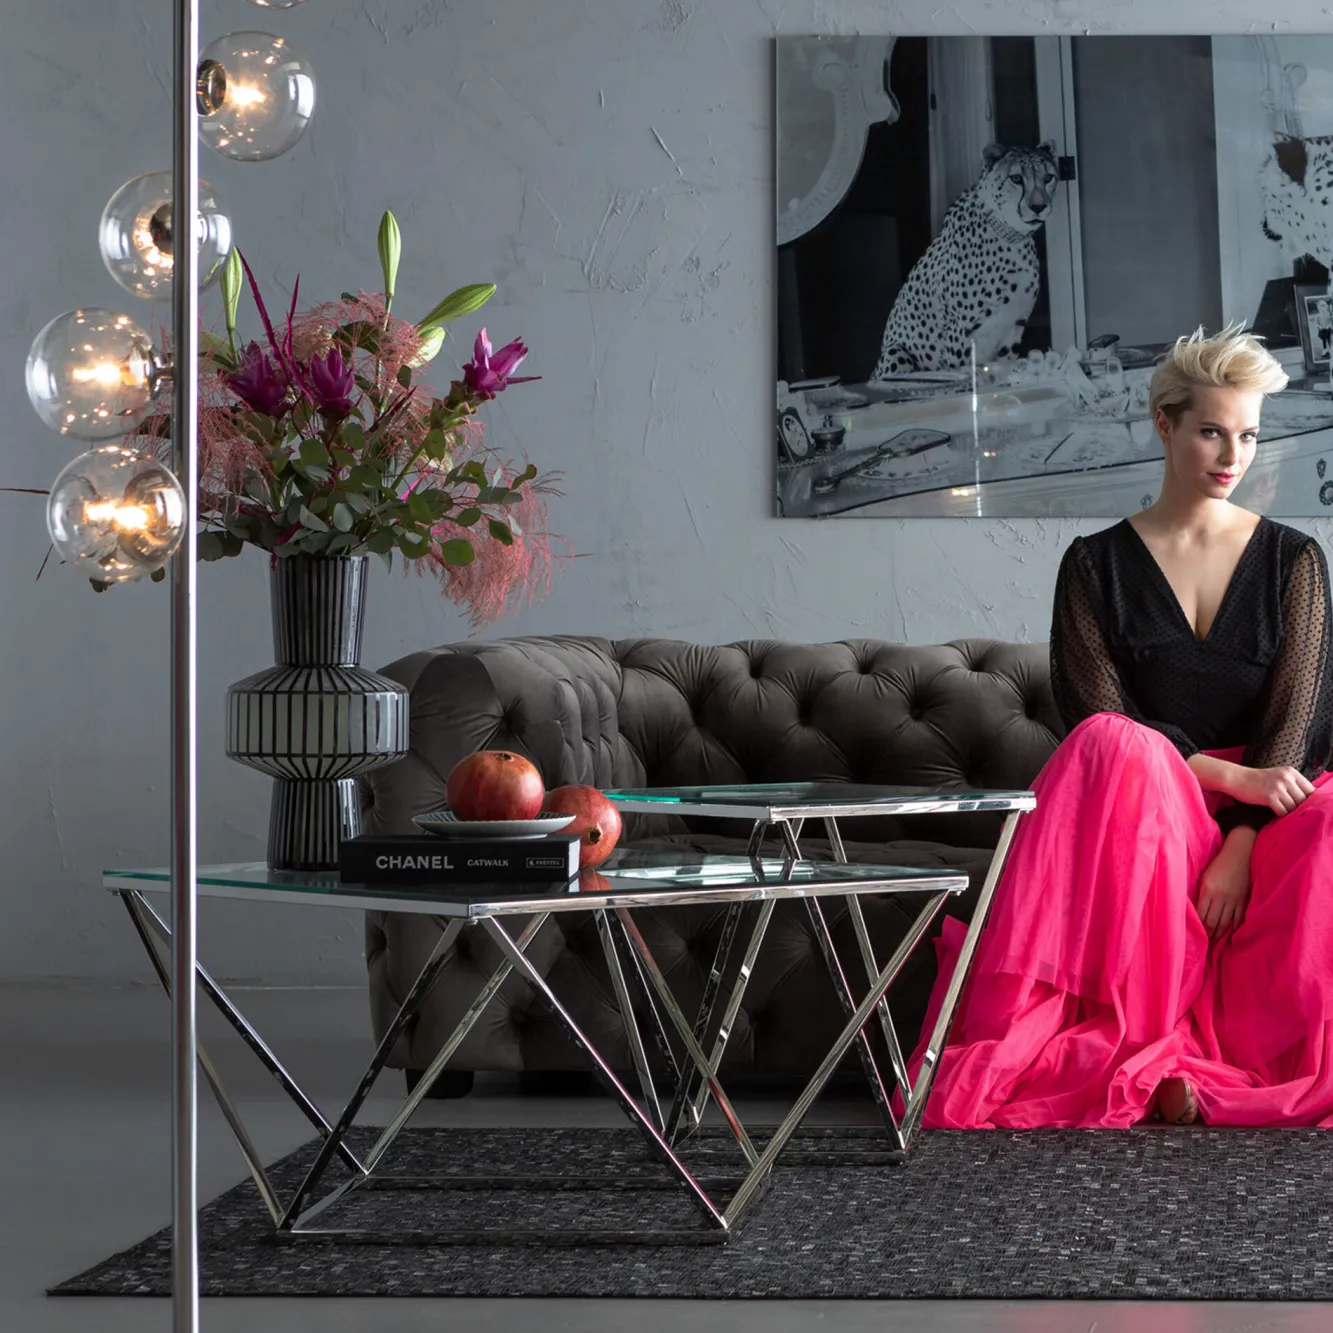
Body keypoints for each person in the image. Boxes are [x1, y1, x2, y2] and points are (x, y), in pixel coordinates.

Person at [909, 325, 1333, 1128]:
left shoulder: (1294, 561)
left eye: (1247, 435)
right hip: (1141, 805)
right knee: (1114, 744)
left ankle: (1229, 1069)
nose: (1231, 456)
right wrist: (1222, 777)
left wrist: (1241, 834)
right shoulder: (1093, 565)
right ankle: (1144, 1054)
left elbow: (1299, 714)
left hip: (1264, 811)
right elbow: (1096, 712)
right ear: (1163, 423)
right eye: (1210, 431)